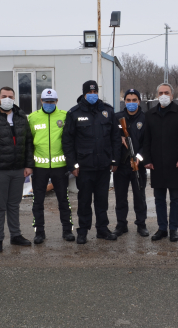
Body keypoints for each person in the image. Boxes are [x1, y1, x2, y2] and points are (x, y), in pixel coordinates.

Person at [62, 80, 122, 244]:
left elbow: (116, 138)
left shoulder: (107, 112)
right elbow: (67, 141)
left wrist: (115, 160)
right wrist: (72, 165)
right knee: (84, 201)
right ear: (84, 94)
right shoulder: (74, 113)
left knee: (102, 200)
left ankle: (102, 229)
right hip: (84, 167)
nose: (93, 95)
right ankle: (83, 231)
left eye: (95, 92)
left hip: (103, 165)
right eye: (90, 92)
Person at [0, 87, 35, 252]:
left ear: (14, 98)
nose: (7, 99)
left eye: (10, 96)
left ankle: (15, 235)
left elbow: (28, 143)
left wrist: (28, 165)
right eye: (4, 96)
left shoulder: (21, 117)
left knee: (14, 204)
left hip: (18, 170)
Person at [142, 83, 178, 242]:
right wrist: (147, 160)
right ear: (157, 95)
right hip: (156, 164)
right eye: (161, 93)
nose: (164, 95)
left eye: (167, 92)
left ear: (172, 95)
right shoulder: (150, 114)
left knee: (175, 198)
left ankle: (173, 229)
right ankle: (162, 228)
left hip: (176, 164)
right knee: (159, 198)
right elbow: (146, 140)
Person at [28, 88, 75, 244]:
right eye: (46, 101)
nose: (49, 104)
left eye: (52, 101)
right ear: (41, 101)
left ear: (56, 101)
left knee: (63, 199)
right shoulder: (33, 118)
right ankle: (39, 232)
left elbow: (70, 140)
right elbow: (29, 143)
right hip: (39, 167)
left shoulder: (64, 116)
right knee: (38, 201)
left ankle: (67, 230)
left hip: (59, 166)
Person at [113, 89, 149, 237]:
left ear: (139, 101)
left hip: (138, 165)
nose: (131, 103)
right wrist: (119, 137)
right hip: (121, 165)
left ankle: (141, 225)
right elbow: (110, 137)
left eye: (134, 100)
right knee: (120, 198)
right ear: (125, 101)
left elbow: (148, 143)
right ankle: (121, 225)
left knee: (139, 197)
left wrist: (138, 158)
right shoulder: (117, 118)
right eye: (128, 100)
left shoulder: (146, 118)